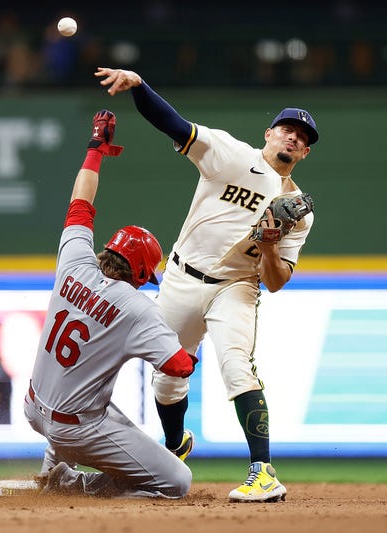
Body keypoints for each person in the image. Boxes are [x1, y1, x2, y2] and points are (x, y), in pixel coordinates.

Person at [95, 67, 319, 502]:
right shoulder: (233, 155)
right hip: (181, 277)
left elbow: (276, 282)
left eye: (303, 137)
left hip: (235, 287)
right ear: (269, 134)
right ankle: (175, 445)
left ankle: (263, 472)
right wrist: (141, 87)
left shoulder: (299, 212)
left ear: (305, 153)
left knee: (237, 367)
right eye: (288, 129)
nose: (294, 138)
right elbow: (174, 125)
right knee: (166, 375)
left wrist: (271, 246)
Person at [24, 109, 198, 498]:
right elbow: (177, 366)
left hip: (34, 409)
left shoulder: (74, 260)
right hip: (77, 429)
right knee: (176, 482)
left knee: (98, 400)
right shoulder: (136, 308)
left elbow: (80, 202)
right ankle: (79, 486)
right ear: (140, 275)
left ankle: (53, 464)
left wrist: (95, 149)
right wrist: (191, 346)